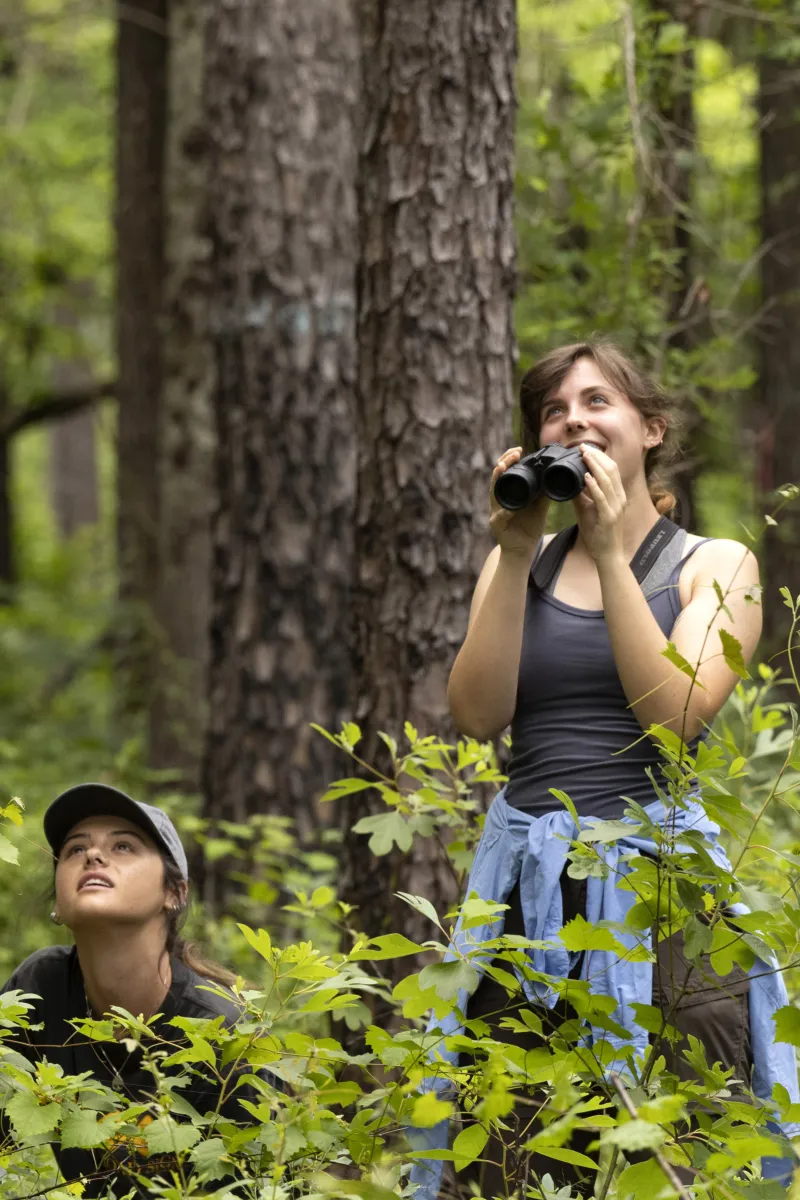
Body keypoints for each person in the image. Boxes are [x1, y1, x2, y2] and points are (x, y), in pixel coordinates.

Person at [417, 341, 798, 1197]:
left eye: (598, 401)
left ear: (650, 429)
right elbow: (477, 716)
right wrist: (517, 554)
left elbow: (675, 716)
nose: (574, 420)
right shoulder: (516, 565)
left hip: (665, 891)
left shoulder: (715, 564)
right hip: (528, 899)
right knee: (513, 1145)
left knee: (681, 1143)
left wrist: (611, 552)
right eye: (554, 410)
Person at [0, 783, 278, 1198]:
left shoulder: (227, 1037)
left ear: (174, 892)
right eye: (75, 850)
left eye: (124, 847)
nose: (93, 855)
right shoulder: (40, 990)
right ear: (57, 903)